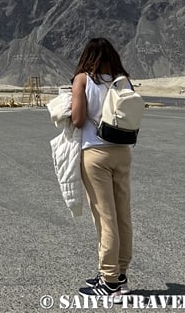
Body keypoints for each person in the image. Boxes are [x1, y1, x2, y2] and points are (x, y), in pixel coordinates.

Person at [71, 37, 133, 298]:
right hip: (122, 151)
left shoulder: (83, 80)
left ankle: (108, 283)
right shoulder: (123, 80)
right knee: (122, 216)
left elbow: (77, 120)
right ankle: (120, 274)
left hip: (95, 152)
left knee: (105, 218)